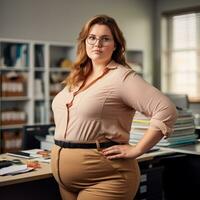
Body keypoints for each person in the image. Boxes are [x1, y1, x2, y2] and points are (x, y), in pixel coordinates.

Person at [51, 14, 177, 200]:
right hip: (65, 180)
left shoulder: (122, 77)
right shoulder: (76, 77)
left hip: (106, 178)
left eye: (105, 39)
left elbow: (166, 110)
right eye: (92, 38)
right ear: (84, 42)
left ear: (116, 45)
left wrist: (137, 149)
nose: (97, 44)